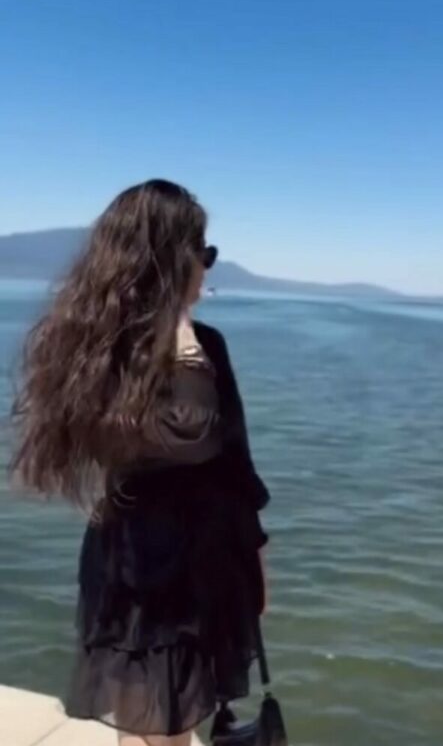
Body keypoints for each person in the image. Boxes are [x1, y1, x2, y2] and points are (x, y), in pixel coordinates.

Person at [10, 179, 270, 746]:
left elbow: (236, 466)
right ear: (171, 260)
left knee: (157, 725)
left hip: (204, 562)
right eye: (202, 253)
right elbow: (193, 435)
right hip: (141, 568)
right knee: (156, 727)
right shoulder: (102, 356)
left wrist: (256, 558)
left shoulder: (203, 345)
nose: (207, 268)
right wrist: (179, 329)